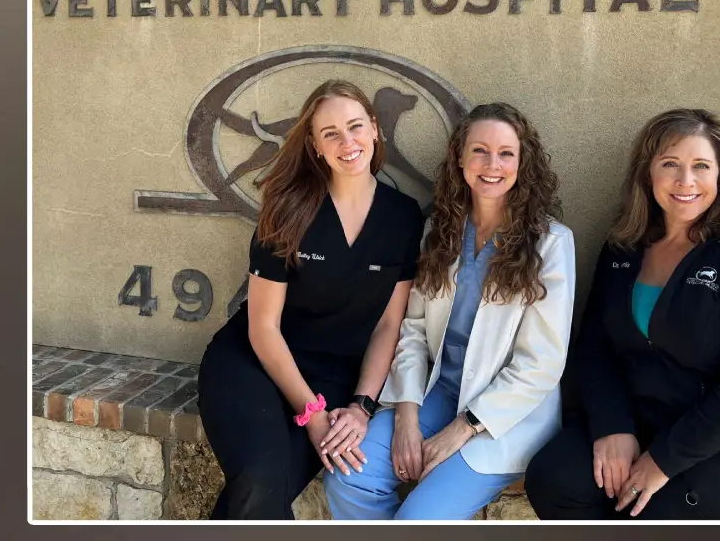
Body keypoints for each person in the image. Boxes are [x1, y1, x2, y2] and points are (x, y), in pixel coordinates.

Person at [525, 108, 720, 520]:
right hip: (640, 424)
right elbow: (594, 349)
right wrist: (613, 426)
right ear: (647, 174)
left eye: (701, 166)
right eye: (670, 165)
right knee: (553, 481)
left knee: (647, 515)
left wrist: (663, 461)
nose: (686, 181)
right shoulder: (623, 249)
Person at [322, 103, 577, 520]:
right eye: (479, 151)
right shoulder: (438, 233)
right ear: (460, 158)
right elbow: (414, 331)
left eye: (506, 153)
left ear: (522, 162)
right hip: (436, 392)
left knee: (417, 520)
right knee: (349, 476)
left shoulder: (551, 244)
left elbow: (541, 364)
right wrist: (406, 413)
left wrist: (463, 429)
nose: (492, 165)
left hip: (504, 417)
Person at [195, 80, 427, 519]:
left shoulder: (403, 216)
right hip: (253, 363)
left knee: (266, 490)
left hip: (336, 378)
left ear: (375, 130)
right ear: (316, 147)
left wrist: (360, 408)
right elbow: (263, 328)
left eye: (356, 127)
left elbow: (387, 325)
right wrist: (313, 415)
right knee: (261, 479)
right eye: (331, 134)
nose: (348, 142)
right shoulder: (287, 208)